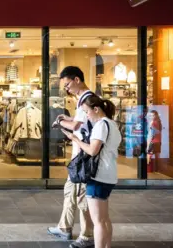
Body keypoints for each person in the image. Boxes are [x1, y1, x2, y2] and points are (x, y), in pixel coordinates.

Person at [61, 94, 122, 248]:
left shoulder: (101, 125)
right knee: (105, 218)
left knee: (98, 221)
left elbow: (92, 150)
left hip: (98, 175)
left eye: (87, 112)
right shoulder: (112, 124)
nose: (86, 116)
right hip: (109, 174)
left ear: (96, 109)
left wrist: (75, 140)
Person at [47, 66, 95, 248]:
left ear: (77, 80)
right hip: (78, 156)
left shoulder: (87, 100)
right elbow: (78, 123)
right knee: (70, 191)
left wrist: (60, 121)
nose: (66, 89)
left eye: (67, 84)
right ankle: (64, 227)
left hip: (84, 156)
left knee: (82, 196)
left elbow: (76, 125)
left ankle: (87, 236)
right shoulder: (81, 99)